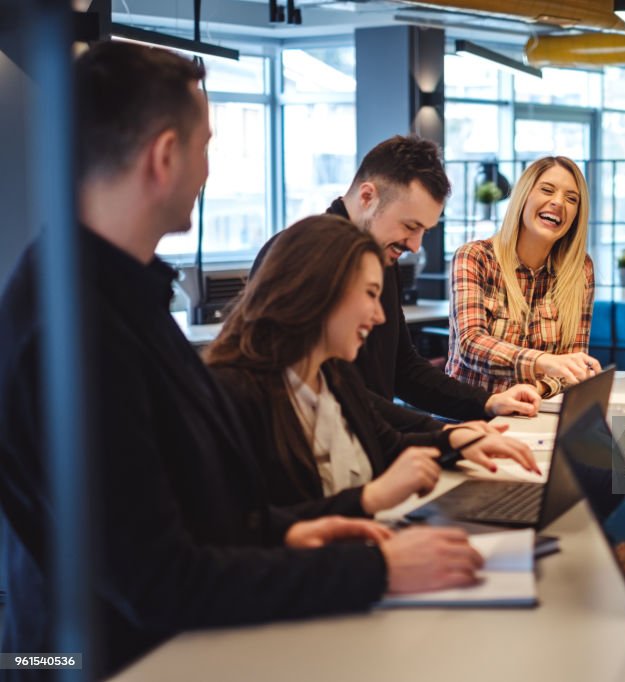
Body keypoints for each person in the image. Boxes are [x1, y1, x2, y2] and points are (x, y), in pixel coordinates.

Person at [0, 42, 482, 677]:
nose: (208, 169)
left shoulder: (118, 292)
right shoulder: (75, 325)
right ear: (164, 155)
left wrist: (307, 527)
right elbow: (159, 579)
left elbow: (201, 516)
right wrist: (377, 568)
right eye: (206, 145)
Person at [207, 215, 539, 512]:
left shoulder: (333, 376)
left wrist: (455, 440)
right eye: (369, 294)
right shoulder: (234, 396)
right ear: (319, 291)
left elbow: (389, 444)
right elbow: (250, 529)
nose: (379, 315)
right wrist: (370, 498)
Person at [250, 136, 540, 433]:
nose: (415, 246)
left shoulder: (381, 257)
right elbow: (334, 396)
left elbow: (403, 369)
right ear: (367, 197)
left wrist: (488, 402)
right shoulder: (299, 257)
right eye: (410, 226)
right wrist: (442, 435)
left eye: (424, 231)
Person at [446, 156, 599, 397]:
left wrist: (536, 388)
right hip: (470, 418)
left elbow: (573, 367)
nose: (558, 202)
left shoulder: (580, 270)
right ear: (523, 197)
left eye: (571, 199)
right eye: (547, 190)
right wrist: (543, 362)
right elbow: (470, 345)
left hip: (535, 413)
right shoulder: (475, 257)